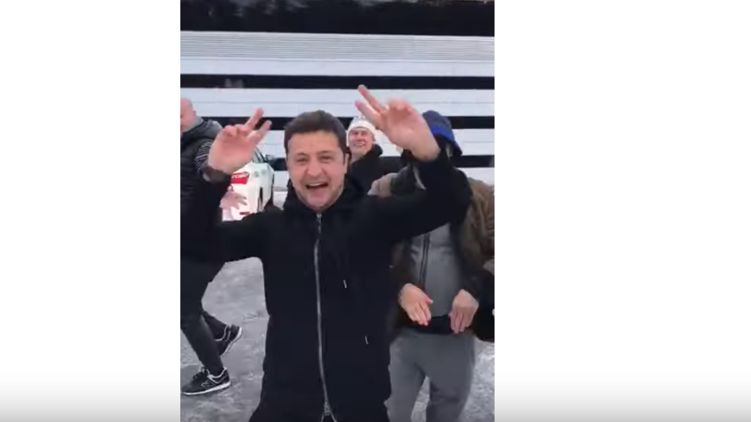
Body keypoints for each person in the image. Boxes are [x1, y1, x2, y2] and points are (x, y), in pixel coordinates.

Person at [181, 86, 471, 422]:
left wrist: (428, 153)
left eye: (326, 157)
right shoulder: (271, 228)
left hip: (362, 407)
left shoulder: (375, 218)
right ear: (288, 166)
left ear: (346, 162)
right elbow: (193, 242)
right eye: (301, 159)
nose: (314, 171)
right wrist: (214, 175)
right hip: (284, 406)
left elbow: (451, 202)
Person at [370, 110, 495, 422]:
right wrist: (398, 286)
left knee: (447, 413)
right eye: (423, 144)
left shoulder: (478, 195)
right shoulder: (385, 190)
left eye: (440, 145)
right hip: (398, 333)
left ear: (450, 151)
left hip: (454, 334)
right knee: (386, 412)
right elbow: (362, 250)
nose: (430, 152)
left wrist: (476, 288)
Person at [180, 98, 243, 396]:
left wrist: (220, 187)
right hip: (187, 238)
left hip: (200, 243)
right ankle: (222, 333)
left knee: (184, 311)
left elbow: (210, 170)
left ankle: (217, 374)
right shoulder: (184, 142)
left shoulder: (204, 144)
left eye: (179, 115)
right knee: (184, 302)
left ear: (193, 114)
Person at [346, 115, 400, 191]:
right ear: (348, 138)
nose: (359, 138)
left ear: (373, 139)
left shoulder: (387, 167)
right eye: (355, 133)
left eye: (364, 133)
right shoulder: (338, 165)